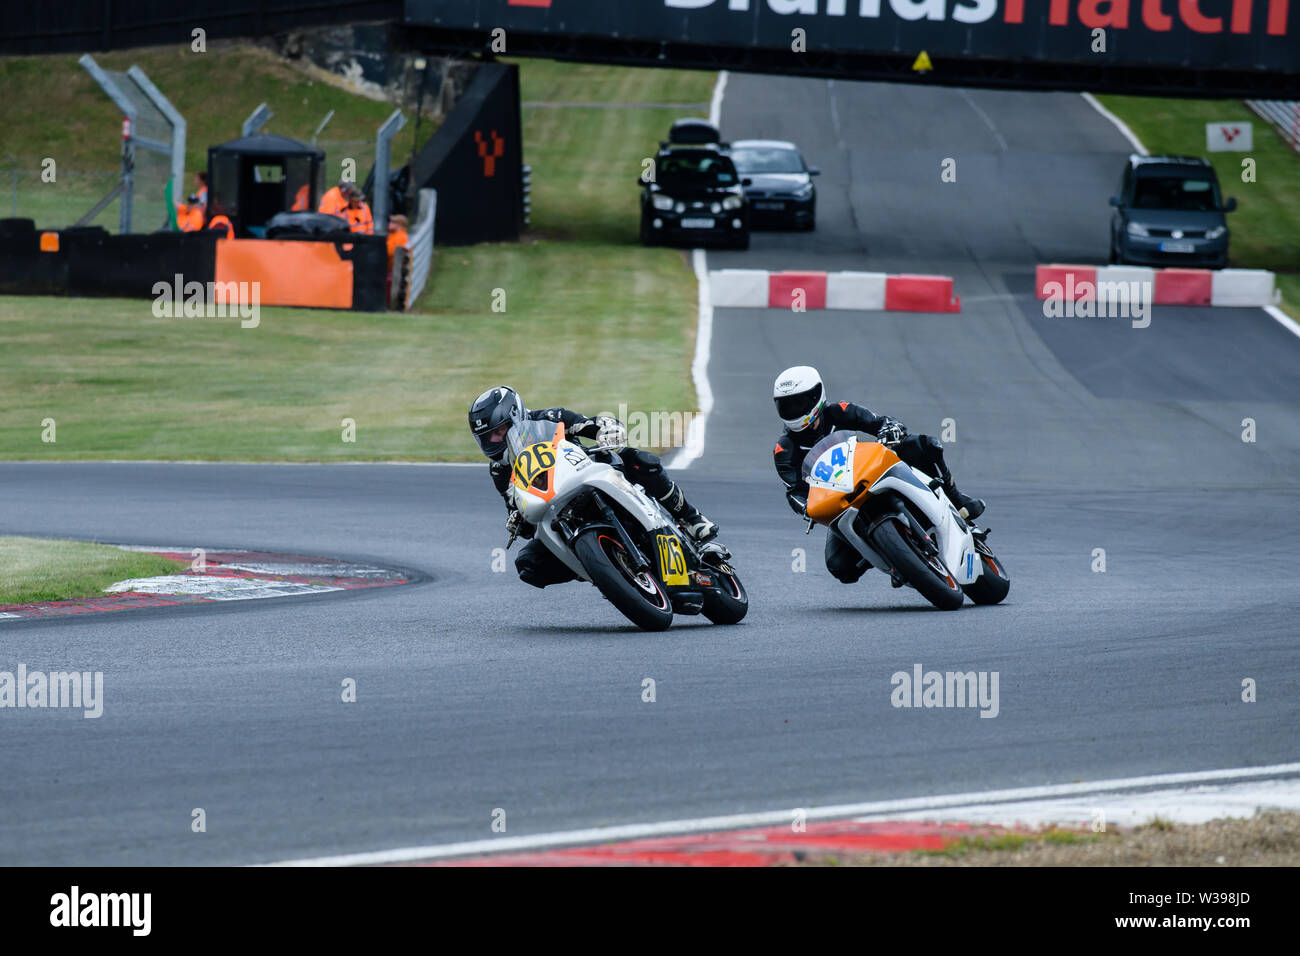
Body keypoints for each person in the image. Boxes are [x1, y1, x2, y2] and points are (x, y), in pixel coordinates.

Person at [469, 386, 718, 589]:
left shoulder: (548, 418)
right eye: (486, 438)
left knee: (641, 461)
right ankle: (604, 569)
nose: (493, 441)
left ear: (515, 416)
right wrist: (516, 520)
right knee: (528, 563)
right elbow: (516, 505)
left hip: (594, 474)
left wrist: (604, 428)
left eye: (499, 432)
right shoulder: (499, 471)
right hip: (560, 510)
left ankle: (692, 519)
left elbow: (586, 424)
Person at [771, 365, 986, 584]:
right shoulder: (784, 449)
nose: (794, 410)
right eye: (786, 406)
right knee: (840, 567)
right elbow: (794, 491)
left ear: (816, 396)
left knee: (925, 445)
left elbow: (880, 422)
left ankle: (956, 497)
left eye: (799, 403)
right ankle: (895, 558)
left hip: (870, 472)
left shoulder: (840, 412)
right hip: (840, 501)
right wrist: (806, 508)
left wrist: (889, 429)